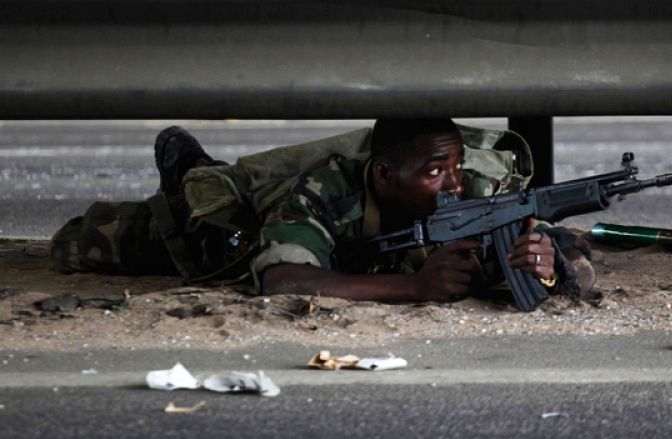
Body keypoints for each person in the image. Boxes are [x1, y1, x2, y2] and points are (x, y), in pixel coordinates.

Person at [50, 119, 594, 305]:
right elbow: (283, 281)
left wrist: (547, 267)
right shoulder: (322, 190)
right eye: (434, 172)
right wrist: (414, 289)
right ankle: (193, 176)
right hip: (243, 226)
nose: (453, 183)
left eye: (455, 166)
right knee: (79, 244)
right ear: (384, 176)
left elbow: (572, 259)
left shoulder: (477, 185)